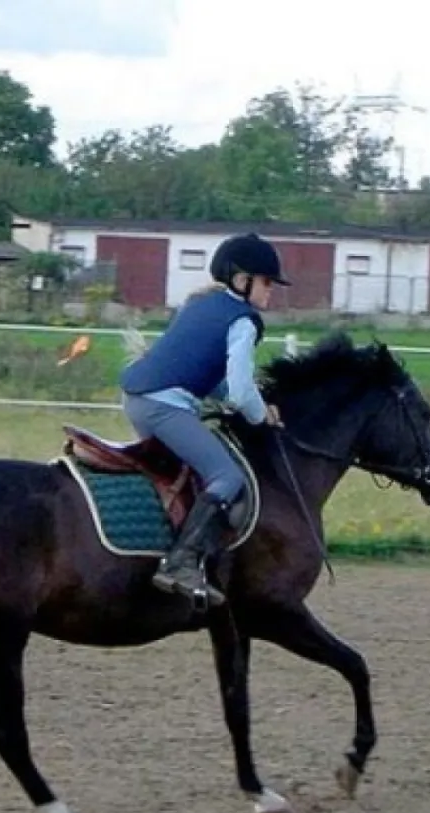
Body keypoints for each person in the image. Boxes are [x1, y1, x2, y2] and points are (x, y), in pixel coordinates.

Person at [119, 232, 288, 606]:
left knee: (188, 473)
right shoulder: (243, 321)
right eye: (266, 282)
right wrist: (262, 416)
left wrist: (252, 402)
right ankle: (179, 564)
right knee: (227, 476)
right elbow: (240, 392)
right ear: (241, 280)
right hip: (164, 407)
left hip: (137, 399)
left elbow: (208, 378)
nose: (271, 290)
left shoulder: (200, 304)